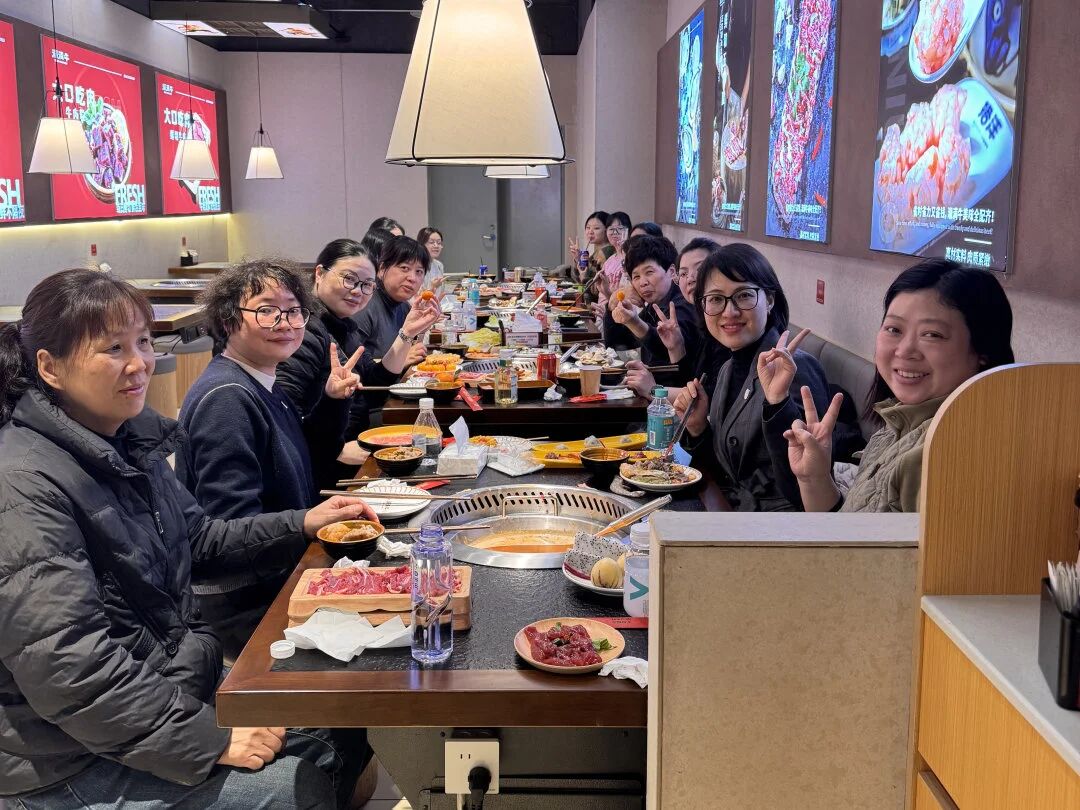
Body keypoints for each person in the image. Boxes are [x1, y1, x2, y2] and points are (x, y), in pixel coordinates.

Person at [0, 269, 375, 808]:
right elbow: (69, 667)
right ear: (49, 367)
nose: (139, 363)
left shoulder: (125, 440)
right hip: (65, 755)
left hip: (166, 684)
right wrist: (211, 739)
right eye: (113, 348)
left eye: (143, 342)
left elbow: (199, 540)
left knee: (337, 723)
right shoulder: (24, 484)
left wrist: (302, 522)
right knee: (292, 788)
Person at [176, 259, 366, 655]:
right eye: (267, 311)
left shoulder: (261, 381)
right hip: (245, 604)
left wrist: (332, 401)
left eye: (294, 311)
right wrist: (306, 521)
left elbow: (306, 461)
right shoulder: (227, 399)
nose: (285, 323)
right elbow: (223, 533)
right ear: (228, 320)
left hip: (278, 572)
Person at [776, 259, 1014, 513]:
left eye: (932, 334)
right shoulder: (896, 426)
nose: (905, 350)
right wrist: (814, 478)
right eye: (894, 329)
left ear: (983, 350)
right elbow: (847, 532)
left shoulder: (953, 454)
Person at [672, 244, 829, 512]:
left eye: (744, 295)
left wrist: (777, 404)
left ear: (770, 300)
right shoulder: (728, 369)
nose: (729, 312)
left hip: (779, 527)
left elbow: (806, 485)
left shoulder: (795, 367)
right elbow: (726, 472)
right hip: (730, 512)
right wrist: (698, 429)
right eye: (716, 299)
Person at [277, 238, 441, 486]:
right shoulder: (305, 331)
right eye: (349, 279)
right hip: (318, 467)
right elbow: (283, 411)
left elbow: (375, 383)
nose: (357, 291)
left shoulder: (344, 326)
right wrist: (337, 450)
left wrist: (407, 333)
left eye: (366, 285)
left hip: (353, 440)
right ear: (319, 273)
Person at [625, 237, 728, 397]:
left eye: (700, 269)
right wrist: (676, 348)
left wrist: (653, 390)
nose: (691, 279)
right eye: (684, 273)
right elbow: (689, 386)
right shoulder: (704, 322)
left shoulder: (685, 309)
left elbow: (708, 399)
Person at [605, 235, 701, 390]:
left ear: (671, 271)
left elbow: (669, 349)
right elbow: (617, 343)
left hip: (667, 398)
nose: (643, 282)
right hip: (649, 391)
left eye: (649, 272)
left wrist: (635, 323)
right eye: (636, 276)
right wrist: (612, 308)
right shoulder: (653, 305)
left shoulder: (681, 305)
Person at [568, 211, 614, 300]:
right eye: (588, 227)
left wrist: (584, 278)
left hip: (598, 304)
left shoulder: (606, 252)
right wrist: (578, 259)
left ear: (607, 230)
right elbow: (578, 280)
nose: (590, 232)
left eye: (596, 228)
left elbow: (597, 289)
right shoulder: (596, 252)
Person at [596, 210, 632, 311]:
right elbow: (601, 294)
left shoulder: (631, 258)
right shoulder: (609, 261)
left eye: (620, 229)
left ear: (628, 231)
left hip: (621, 311)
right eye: (611, 229)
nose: (615, 233)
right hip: (603, 311)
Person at [417, 226, 446, 290]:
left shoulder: (439, 265)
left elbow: (441, 290)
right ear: (421, 244)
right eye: (431, 242)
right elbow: (414, 294)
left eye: (439, 243)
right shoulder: (416, 265)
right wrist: (432, 287)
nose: (436, 246)